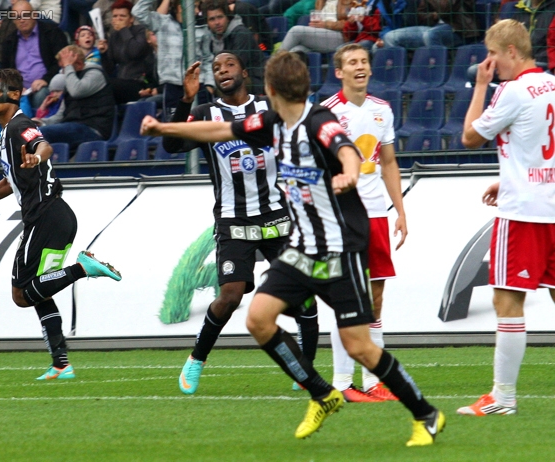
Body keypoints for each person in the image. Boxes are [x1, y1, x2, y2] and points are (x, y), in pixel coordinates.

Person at [141, 50, 445, 446]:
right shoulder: (272, 122)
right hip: (301, 248)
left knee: (360, 347)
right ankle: (322, 393)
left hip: (338, 250)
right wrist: (165, 129)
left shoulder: (319, 121)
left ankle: (426, 414)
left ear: (269, 88)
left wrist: (348, 176)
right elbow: (219, 132)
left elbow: (347, 151)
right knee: (259, 319)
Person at [0, 68, 122, 380]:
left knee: (22, 294)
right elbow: (9, 183)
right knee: (40, 291)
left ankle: (83, 268)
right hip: (57, 217)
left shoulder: (19, 127)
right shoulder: (8, 132)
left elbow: (43, 145)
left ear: (14, 94)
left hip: (45, 217)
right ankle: (61, 363)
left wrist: (37, 158)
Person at [163, 52, 319, 395]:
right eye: (217, 68)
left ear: (244, 72)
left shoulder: (269, 108)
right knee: (231, 295)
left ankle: (304, 371)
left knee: (305, 298)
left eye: (229, 65)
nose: (223, 71)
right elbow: (171, 144)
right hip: (233, 220)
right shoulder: (206, 114)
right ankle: (196, 358)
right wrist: (185, 99)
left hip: (277, 217)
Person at [458, 19, 555, 416]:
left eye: (494, 55)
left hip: (524, 214)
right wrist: (508, 174)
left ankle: (503, 398)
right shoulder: (551, 83)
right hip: (552, 202)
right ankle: (502, 397)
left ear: (511, 52)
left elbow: (469, 137)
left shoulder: (511, 91)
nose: (490, 62)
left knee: (506, 300)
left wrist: (481, 87)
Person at [321, 43, 406, 402]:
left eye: (364, 62)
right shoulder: (325, 113)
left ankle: (373, 381)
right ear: (339, 72)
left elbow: (388, 163)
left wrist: (400, 211)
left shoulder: (381, 110)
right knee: (346, 296)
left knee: (375, 297)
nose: (360, 67)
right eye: (351, 62)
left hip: (376, 215)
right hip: (343, 216)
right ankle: (342, 382)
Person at [133, 0, 215, 120]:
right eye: (195, 7)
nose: (198, 11)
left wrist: (209, 85)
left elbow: (208, 58)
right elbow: (138, 11)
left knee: (202, 129)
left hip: (198, 86)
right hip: (173, 87)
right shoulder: (161, 22)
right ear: (181, 7)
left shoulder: (203, 28)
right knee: (174, 128)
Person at [33, 45, 115, 147]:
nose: (63, 72)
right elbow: (61, 115)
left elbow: (77, 91)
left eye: (65, 67)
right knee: (29, 133)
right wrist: (41, 122)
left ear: (79, 63)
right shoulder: (71, 80)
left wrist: (68, 67)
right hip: (72, 127)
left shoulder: (95, 74)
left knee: (38, 135)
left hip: (92, 128)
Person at [0, 0, 69, 111]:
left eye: (26, 15)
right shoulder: (9, 41)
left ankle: (37, 126)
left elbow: (63, 62)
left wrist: (45, 80)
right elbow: (6, 70)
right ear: (13, 21)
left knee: (41, 95)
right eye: (17, 17)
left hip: (46, 85)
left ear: (35, 15)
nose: (22, 20)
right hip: (20, 89)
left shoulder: (52, 33)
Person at [203, 0, 266, 95]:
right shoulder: (210, 38)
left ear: (228, 17)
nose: (217, 22)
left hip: (254, 82)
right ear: (207, 22)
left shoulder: (241, 34)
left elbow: (236, 69)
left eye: (220, 17)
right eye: (212, 19)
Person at [97, 0, 152, 104]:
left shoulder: (140, 31)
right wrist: (104, 53)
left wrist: (123, 30)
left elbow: (134, 51)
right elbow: (109, 69)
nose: (118, 19)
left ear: (131, 19)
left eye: (122, 16)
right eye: (115, 16)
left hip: (140, 83)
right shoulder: (114, 36)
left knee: (107, 86)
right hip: (121, 82)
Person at [279, 0, 351, 54]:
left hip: (341, 36)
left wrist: (326, 24)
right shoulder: (321, 1)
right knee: (296, 51)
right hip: (320, 34)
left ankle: (272, 66)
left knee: (296, 31)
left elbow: (351, 23)